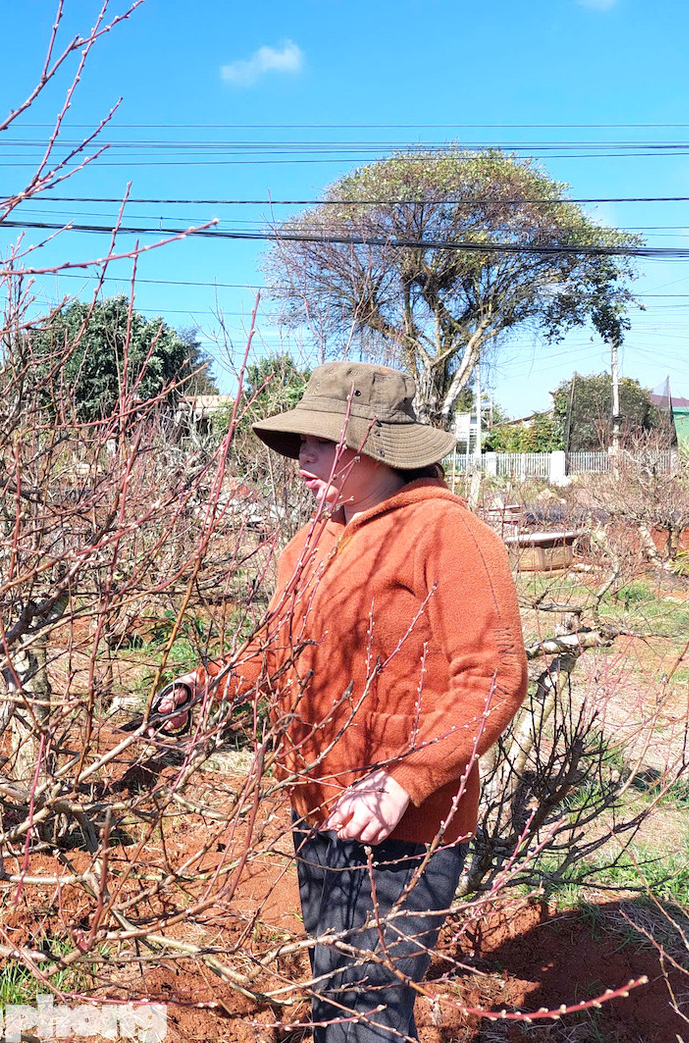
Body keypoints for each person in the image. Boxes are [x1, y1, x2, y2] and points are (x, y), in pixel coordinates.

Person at [163, 362, 528, 1042]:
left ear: (370, 446)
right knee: (333, 990)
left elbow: (495, 676)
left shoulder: (448, 535)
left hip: (404, 828)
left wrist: (402, 781)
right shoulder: (307, 543)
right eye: (300, 440)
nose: (301, 453)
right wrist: (205, 683)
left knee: (368, 1010)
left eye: (319, 440)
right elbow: (277, 650)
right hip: (316, 808)